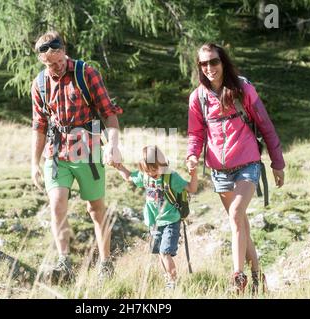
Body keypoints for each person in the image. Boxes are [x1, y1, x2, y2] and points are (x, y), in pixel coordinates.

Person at [186, 43, 285, 294]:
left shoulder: (242, 89)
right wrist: (191, 155)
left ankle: (237, 277)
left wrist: (277, 163)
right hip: (219, 170)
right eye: (204, 64)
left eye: (214, 62)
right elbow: (196, 133)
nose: (209, 68)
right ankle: (257, 276)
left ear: (223, 62)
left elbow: (265, 125)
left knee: (235, 215)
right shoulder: (197, 97)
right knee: (240, 222)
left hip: (247, 164)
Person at [31, 31, 123, 283]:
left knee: (95, 210)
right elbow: (38, 126)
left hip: (88, 150)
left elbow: (109, 113)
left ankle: (105, 263)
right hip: (56, 151)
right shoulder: (39, 84)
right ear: (43, 62)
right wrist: (34, 163)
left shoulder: (86, 73)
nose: (56, 66)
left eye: (59, 60)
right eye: (50, 64)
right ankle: (64, 262)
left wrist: (113, 144)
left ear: (64, 51)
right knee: (57, 203)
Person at [116, 145, 198, 289]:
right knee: (159, 253)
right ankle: (168, 278)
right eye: (148, 171)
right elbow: (129, 177)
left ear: (162, 164)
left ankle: (172, 283)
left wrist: (193, 173)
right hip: (154, 223)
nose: (151, 173)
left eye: (155, 170)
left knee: (164, 252)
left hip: (171, 221)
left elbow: (192, 188)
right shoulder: (144, 176)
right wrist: (119, 167)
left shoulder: (171, 177)